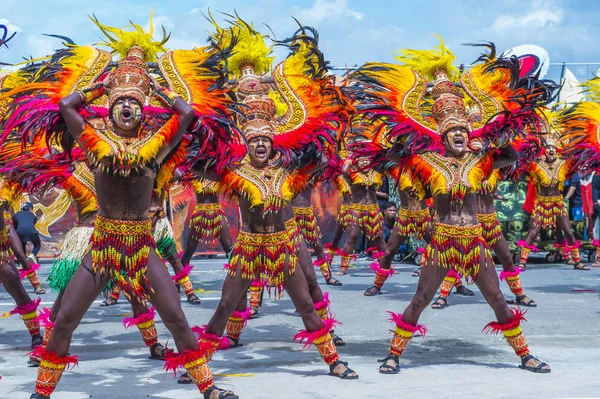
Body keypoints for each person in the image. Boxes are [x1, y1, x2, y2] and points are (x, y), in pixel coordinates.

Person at [3, 16, 239, 399]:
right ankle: (41, 393)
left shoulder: (156, 148)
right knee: (64, 321)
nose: (127, 107)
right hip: (103, 246)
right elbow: (66, 104)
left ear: (143, 111)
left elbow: (187, 115)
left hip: (142, 246)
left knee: (176, 318)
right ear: (109, 109)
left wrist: (159, 91)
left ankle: (208, 388)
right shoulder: (95, 145)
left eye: (134, 103)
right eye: (121, 102)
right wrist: (105, 85)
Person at [350, 39, 551, 375]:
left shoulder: (480, 161)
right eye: (452, 130)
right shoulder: (427, 161)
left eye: (463, 129)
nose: (459, 133)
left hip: (475, 241)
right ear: (441, 135)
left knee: (498, 299)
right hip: (441, 243)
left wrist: (491, 138)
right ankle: (393, 354)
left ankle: (525, 355)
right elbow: (396, 156)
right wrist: (410, 137)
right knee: (419, 300)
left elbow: (512, 156)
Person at [191, 20, 358, 383]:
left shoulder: (287, 172)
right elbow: (199, 160)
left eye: (267, 140)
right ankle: (199, 364)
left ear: (274, 142)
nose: (261, 145)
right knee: (224, 306)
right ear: (246, 145)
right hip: (249, 247)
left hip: (283, 245)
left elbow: (321, 152)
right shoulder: (234, 173)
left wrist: (333, 109)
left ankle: (334, 361)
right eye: (254, 141)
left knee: (305, 305)